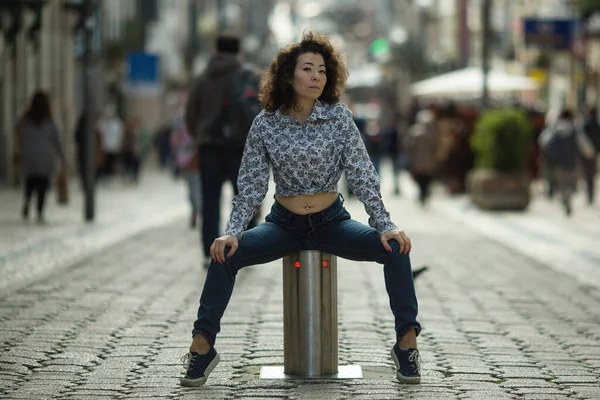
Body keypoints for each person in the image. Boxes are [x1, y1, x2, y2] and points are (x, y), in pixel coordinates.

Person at [181, 31, 421, 387]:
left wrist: (384, 224)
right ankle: (202, 346)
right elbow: (250, 185)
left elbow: (362, 175)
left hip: (332, 223)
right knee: (224, 255)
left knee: (396, 248)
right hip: (283, 225)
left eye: (322, 71)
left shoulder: (339, 118)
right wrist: (231, 231)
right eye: (307, 69)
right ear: (288, 76)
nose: (316, 77)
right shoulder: (265, 123)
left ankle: (406, 344)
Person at [185, 35, 260, 268]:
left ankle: (211, 252)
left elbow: (190, 114)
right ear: (238, 51)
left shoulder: (202, 79)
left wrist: (200, 135)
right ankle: (245, 249)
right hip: (240, 147)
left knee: (210, 202)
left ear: (216, 50)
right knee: (244, 199)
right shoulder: (246, 77)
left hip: (210, 147)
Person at [13, 90, 65, 223]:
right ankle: (39, 211)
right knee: (43, 183)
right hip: (45, 155)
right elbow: (57, 138)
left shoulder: (26, 117)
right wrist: (62, 156)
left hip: (29, 154)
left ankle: (27, 201)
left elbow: (16, 129)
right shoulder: (50, 118)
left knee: (30, 180)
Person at [539, 109, 595, 215]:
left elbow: (542, 141)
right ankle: (567, 196)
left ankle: (563, 196)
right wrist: (590, 154)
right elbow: (584, 145)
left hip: (556, 162)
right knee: (571, 184)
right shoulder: (575, 130)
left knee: (559, 184)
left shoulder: (553, 129)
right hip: (571, 162)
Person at [406, 109, 439, 206]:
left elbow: (410, 147)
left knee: (422, 180)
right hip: (426, 161)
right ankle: (423, 194)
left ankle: (422, 194)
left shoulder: (415, 132)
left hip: (419, 161)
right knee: (425, 179)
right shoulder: (432, 133)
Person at [582, 106, 600, 205]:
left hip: (587, 153)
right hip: (594, 152)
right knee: (591, 175)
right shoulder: (596, 124)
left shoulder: (587, 124)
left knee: (588, 175)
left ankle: (589, 196)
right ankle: (590, 195)